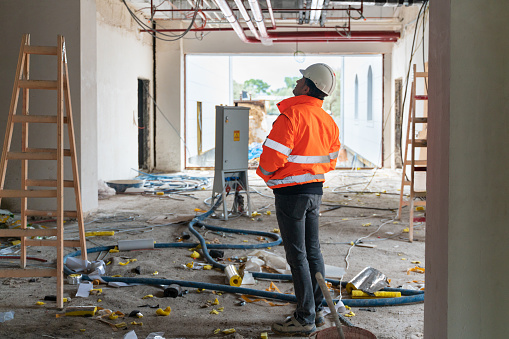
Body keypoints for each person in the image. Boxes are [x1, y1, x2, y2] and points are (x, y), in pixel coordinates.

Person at [256, 63, 340, 336]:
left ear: (307, 86)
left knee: (297, 256)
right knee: (313, 251)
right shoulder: (327, 120)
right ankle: (315, 311)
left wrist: (269, 178)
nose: (297, 80)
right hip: (315, 191)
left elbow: (271, 159)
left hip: (291, 195)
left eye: (302, 78)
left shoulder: (291, 116)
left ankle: (305, 316)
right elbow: (330, 160)